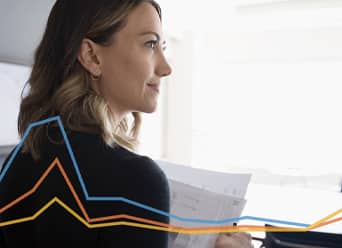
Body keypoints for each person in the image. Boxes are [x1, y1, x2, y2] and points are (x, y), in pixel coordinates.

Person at [0, 0, 253, 247]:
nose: (166, 68)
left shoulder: (17, 164)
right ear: (92, 56)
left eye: (162, 46)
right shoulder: (135, 180)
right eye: (150, 44)